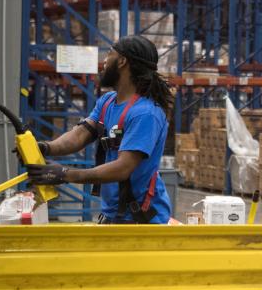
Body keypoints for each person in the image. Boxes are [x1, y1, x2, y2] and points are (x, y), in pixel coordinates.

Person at [27, 35, 173, 224]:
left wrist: (65, 174)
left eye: (110, 54)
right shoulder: (108, 102)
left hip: (141, 221)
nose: (104, 61)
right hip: (114, 216)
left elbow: (123, 168)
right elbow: (80, 134)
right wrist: (45, 147)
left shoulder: (145, 113)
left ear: (122, 61)